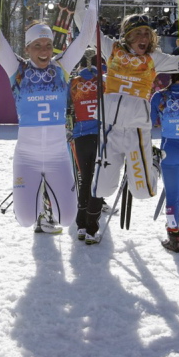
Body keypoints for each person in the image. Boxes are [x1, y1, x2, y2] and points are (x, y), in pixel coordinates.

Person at [0, 0, 103, 234]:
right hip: (26, 158)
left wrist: (94, 0)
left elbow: (85, 37)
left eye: (48, 45)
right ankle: (39, 203)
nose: (44, 50)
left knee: (66, 220)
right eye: (37, 45)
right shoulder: (17, 70)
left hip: (57, 156)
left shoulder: (62, 68)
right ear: (28, 48)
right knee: (25, 219)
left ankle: (49, 199)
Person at [90, 13, 179, 242]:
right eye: (137, 32)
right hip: (109, 130)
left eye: (147, 34)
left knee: (143, 193)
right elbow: (88, 27)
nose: (143, 37)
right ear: (127, 35)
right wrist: (84, 0)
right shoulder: (111, 49)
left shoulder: (154, 58)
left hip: (137, 131)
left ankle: (154, 162)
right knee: (100, 191)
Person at [149, 74, 179, 253]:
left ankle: (174, 235)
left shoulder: (159, 96)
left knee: (171, 195)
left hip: (169, 149)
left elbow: (148, 123)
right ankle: (174, 223)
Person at [67, 50, 103, 244]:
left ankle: (81, 225)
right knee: (98, 182)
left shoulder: (73, 82)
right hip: (100, 136)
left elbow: (67, 107)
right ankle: (91, 228)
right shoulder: (104, 80)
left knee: (84, 180)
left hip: (80, 137)